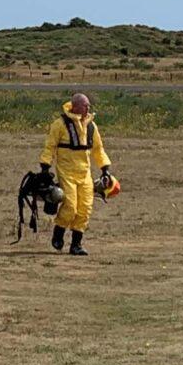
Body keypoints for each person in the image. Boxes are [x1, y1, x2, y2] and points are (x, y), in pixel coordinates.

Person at [37, 93, 113, 256]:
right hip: (66, 172)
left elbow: (98, 150)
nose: (88, 109)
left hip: (85, 173)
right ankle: (58, 234)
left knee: (85, 208)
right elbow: (50, 146)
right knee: (70, 206)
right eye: (85, 106)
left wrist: (105, 168)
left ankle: (76, 244)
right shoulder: (60, 124)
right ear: (76, 106)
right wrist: (45, 166)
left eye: (89, 106)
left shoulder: (92, 126)